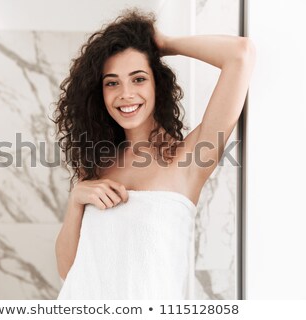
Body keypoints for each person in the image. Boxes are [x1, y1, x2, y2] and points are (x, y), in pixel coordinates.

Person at [52, 8, 255, 299]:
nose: (126, 94)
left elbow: (241, 54)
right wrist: (76, 200)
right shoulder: (97, 165)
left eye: (138, 79)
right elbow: (67, 271)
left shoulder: (190, 159)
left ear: (157, 84)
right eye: (112, 83)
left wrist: (162, 44)